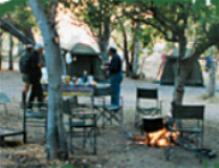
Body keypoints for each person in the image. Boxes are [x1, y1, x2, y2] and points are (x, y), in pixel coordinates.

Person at [27, 44, 44, 109]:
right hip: (35, 76)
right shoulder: (35, 55)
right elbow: (38, 65)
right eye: (42, 49)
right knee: (39, 91)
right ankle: (40, 105)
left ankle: (30, 105)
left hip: (35, 76)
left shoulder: (35, 54)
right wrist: (41, 64)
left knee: (34, 91)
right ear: (39, 49)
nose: (42, 50)